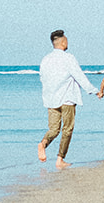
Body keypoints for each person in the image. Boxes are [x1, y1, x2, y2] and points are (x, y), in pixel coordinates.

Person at [38, 29, 97, 169]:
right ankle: (60, 159)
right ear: (63, 42)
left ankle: (43, 143)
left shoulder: (45, 59)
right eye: (67, 40)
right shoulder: (68, 58)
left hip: (51, 98)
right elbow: (79, 75)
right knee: (67, 129)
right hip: (67, 98)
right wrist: (93, 90)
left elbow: (43, 78)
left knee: (53, 129)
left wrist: (48, 94)